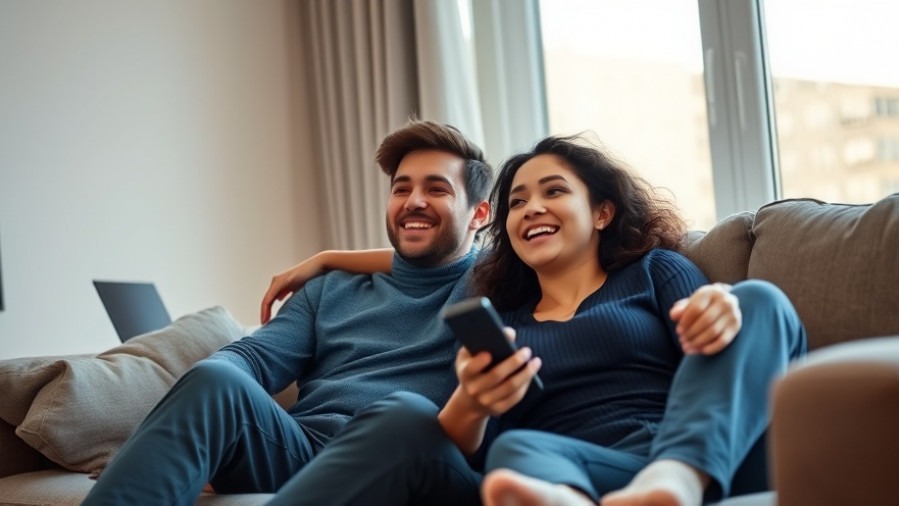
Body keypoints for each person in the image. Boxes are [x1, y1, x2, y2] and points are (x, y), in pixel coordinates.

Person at [262, 135, 806, 506]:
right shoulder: (502, 321)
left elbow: (714, 363)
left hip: (699, 453)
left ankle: (676, 481)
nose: (531, 209)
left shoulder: (655, 272)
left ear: (602, 212)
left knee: (757, 301)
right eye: (517, 202)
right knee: (513, 455)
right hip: (579, 470)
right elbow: (476, 441)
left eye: (554, 192)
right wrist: (471, 402)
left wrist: (719, 308)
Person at [81, 119, 494, 505]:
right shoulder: (330, 288)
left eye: (437, 189)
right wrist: (180, 439)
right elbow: (253, 358)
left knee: (407, 413)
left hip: (405, 457)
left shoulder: (491, 284)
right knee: (217, 375)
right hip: (300, 452)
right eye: (401, 189)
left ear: (479, 213)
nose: (413, 202)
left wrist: (330, 255)